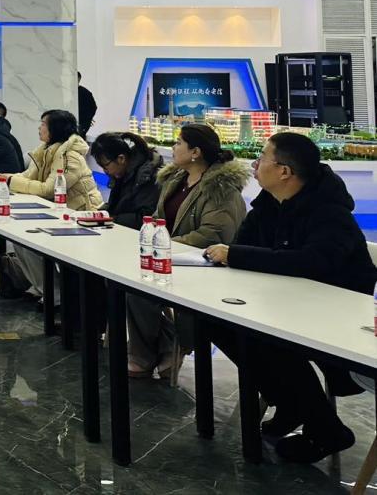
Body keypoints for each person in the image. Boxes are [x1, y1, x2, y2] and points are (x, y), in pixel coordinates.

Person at [204, 132, 377, 463]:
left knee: (266, 338)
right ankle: (293, 404)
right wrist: (237, 255)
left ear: (284, 171)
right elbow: (245, 246)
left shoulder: (330, 213)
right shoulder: (269, 204)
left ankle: (323, 427)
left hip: (341, 315)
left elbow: (312, 262)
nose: (254, 165)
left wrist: (237, 255)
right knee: (217, 323)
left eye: (262, 159)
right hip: (285, 302)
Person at [125, 123, 247, 380]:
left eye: (179, 142)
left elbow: (213, 235)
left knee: (142, 288)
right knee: (130, 284)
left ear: (196, 152)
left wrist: (164, 247)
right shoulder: (175, 180)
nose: (173, 147)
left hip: (202, 263)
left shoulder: (220, 187)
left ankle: (166, 347)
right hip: (170, 257)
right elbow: (157, 219)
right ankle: (158, 347)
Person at [5, 109, 104, 295]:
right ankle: (43, 288)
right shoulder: (47, 150)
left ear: (55, 128)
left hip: (80, 215)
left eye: (43, 124)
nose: (39, 128)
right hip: (57, 211)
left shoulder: (69, 156)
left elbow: (49, 189)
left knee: (30, 241)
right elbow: (28, 176)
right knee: (20, 239)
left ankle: (55, 294)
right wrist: (7, 177)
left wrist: (11, 181)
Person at [90, 132, 164, 229]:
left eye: (106, 165)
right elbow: (115, 207)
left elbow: (145, 218)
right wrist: (99, 214)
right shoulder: (120, 174)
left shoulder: (148, 176)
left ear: (121, 159)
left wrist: (110, 219)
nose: (105, 171)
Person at [77, 72, 97, 138]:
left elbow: (93, 107)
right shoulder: (67, 92)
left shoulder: (85, 93)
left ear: (79, 79)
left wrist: (87, 120)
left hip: (81, 123)